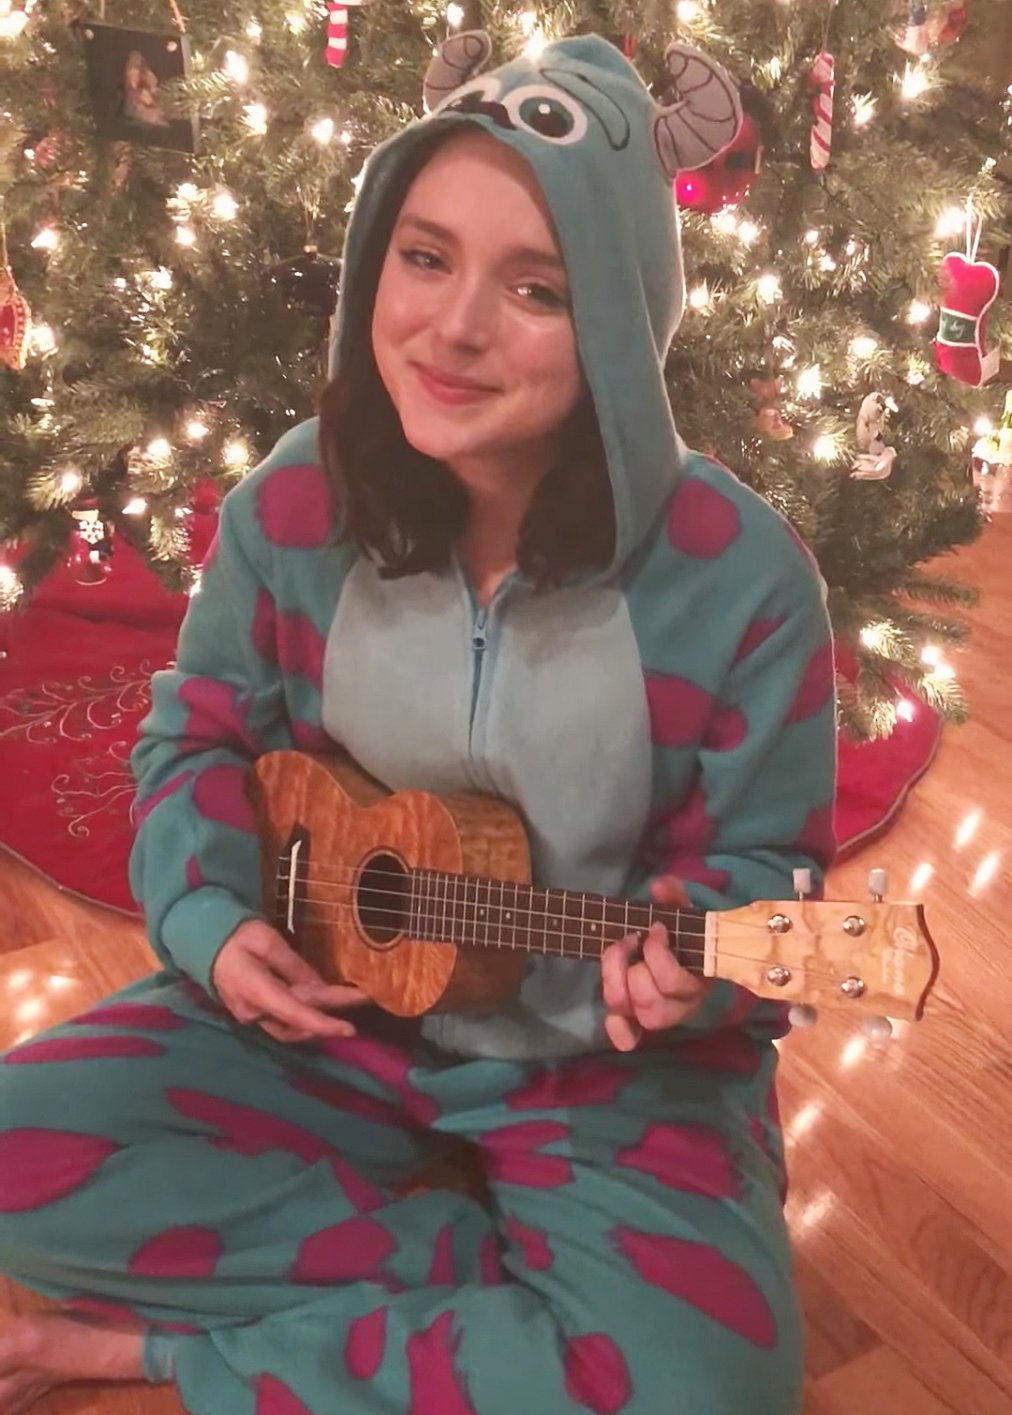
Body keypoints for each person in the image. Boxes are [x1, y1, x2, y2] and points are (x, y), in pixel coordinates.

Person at [0, 30, 836, 1415]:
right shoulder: (293, 505)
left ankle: (176, 1346)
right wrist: (207, 922)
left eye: (538, 289)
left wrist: (701, 968)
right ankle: (501, 1297)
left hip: (608, 1085)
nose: (453, 330)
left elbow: (770, 881)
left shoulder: (743, 583)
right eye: (425, 257)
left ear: (619, 326)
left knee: (713, 1395)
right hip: (334, 1019)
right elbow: (196, 738)